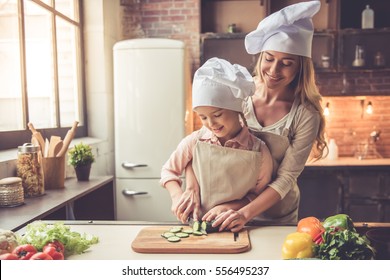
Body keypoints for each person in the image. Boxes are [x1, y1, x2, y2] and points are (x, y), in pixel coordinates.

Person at [175, 0, 327, 232]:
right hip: (224, 207)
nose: (274, 71)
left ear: (300, 68)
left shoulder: (306, 114)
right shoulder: (239, 91)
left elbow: (286, 178)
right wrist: (192, 187)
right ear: (260, 57)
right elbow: (201, 143)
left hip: (275, 216)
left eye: (286, 63)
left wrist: (244, 213)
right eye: (269, 59)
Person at [160, 57, 273, 224]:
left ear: (236, 110)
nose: (211, 123)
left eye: (217, 115)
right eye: (203, 117)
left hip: (236, 226)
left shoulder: (259, 151)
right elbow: (168, 171)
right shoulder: (195, 141)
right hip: (195, 225)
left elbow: (256, 195)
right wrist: (178, 196)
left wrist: (230, 207)